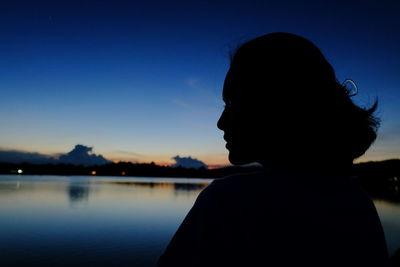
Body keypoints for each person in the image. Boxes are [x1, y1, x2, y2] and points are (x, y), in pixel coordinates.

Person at [157, 32, 390, 267]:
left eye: (232, 102)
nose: (221, 122)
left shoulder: (231, 200)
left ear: (277, 103)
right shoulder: (355, 199)